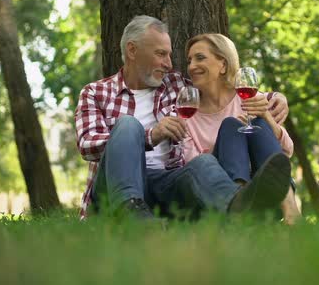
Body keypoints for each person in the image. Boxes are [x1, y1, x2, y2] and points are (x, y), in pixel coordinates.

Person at [75, 15, 291, 221]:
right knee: (129, 125)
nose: (169, 63)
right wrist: (151, 135)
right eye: (161, 54)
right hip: (116, 188)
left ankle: (240, 208)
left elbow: (222, 89)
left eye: (169, 55)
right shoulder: (96, 93)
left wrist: (276, 98)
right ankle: (131, 214)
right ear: (132, 50)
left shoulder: (177, 86)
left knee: (204, 162)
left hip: (169, 182)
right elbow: (87, 145)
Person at [183, 33, 301, 224]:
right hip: (220, 197)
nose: (191, 66)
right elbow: (196, 168)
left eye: (200, 58)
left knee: (259, 124)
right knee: (231, 126)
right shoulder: (188, 115)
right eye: (189, 60)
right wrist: (231, 141)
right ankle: (239, 205)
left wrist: (267, 118)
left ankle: (290, 209)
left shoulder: (247, 97)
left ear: (223, 64)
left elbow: (287, 150)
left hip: (268, 191)